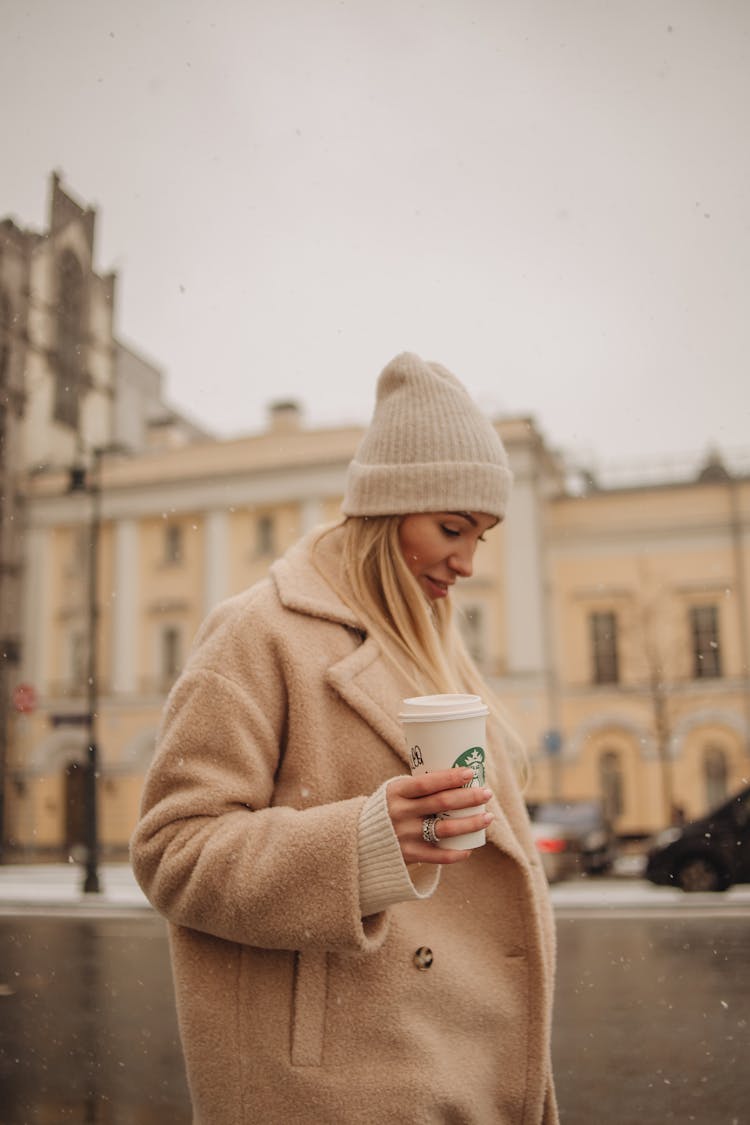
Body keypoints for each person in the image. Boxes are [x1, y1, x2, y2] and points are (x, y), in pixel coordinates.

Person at [130, 352, 559, 1125]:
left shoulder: (434, 646)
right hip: (338, 1089)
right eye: (451, 527)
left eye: (482, 536)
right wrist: (359, 845)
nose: (465, 560)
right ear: (390, 511)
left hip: (461, 1071)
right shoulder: (258, 631)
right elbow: (172, 849)